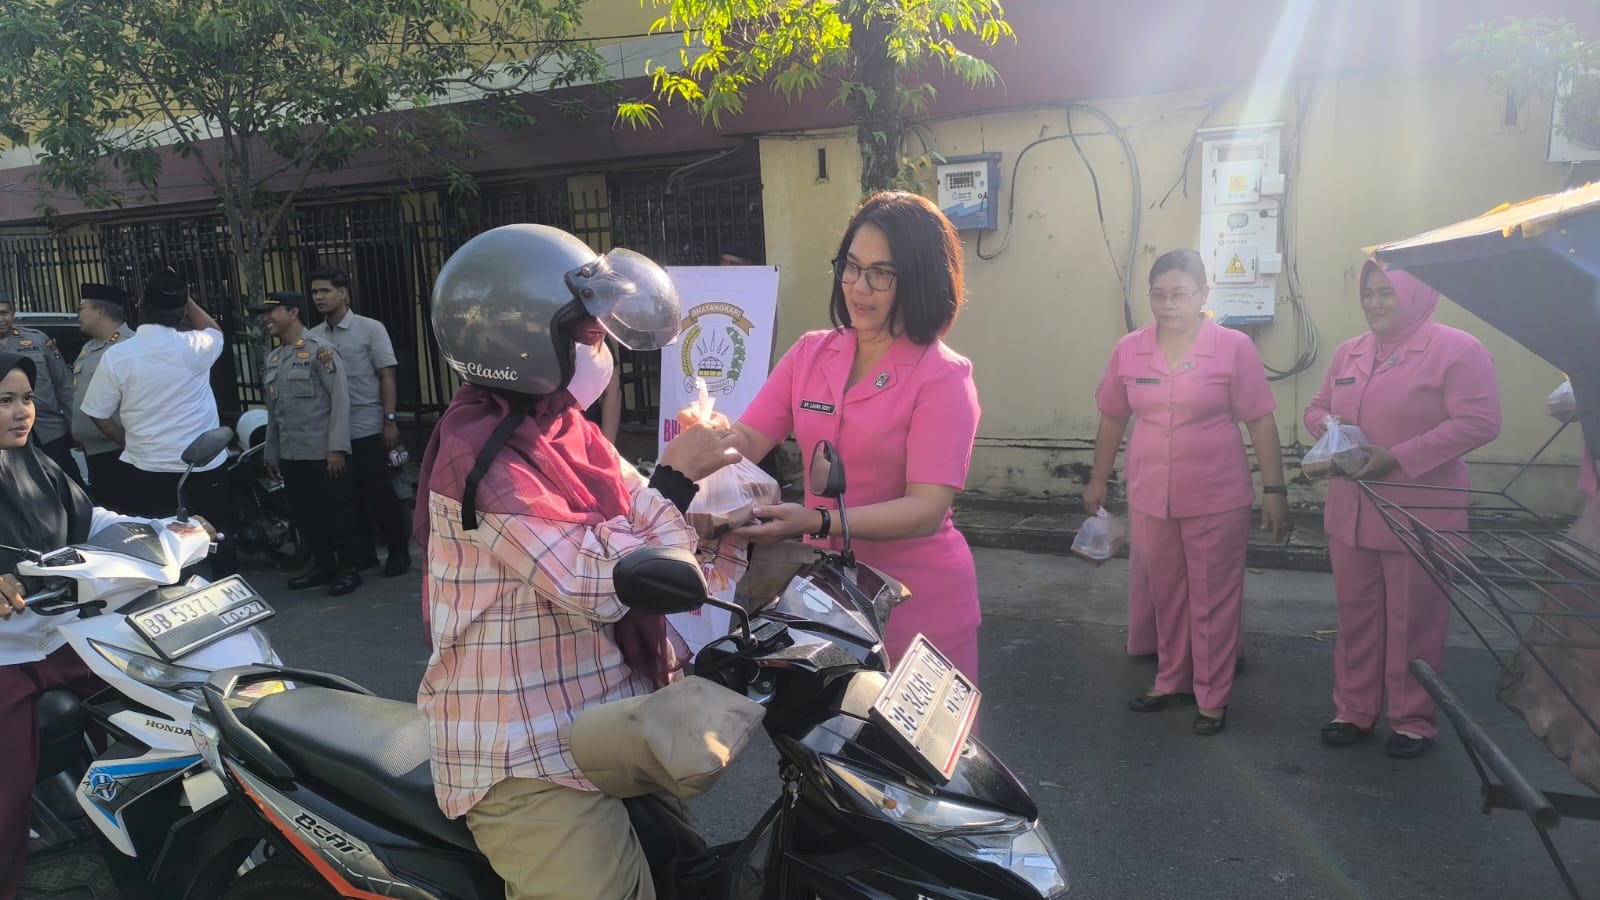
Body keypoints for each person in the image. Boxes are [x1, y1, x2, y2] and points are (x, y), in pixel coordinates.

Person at [415, 223, 743, 900]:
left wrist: (726, 523)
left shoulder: (566, 430)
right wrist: (675, 483)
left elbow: (637, 515)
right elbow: (595, 579)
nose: (603, 350)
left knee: (690, 876)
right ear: (521, 342)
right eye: (590, 334)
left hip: (607, 719)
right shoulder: (481, 459)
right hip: (523, 748)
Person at [727, 191, 984, 681]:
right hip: (824, 599)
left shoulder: (942, 375)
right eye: (851, 267)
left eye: (881, 273)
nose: (859, 287)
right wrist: (693, 456)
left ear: (920, 278)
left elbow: (926, 508)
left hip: (917, 603)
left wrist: (816, 520)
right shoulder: (811, 354)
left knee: (901, 734)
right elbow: (746, 439)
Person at [1085, 249, 1288, 736]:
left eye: (1179, 294)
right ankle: (1172, 678)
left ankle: (1212, 695)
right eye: (1158, 294)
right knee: (1166, 592)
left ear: (1203, 295)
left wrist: (1275, 489)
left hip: (1217, 494)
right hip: (1151, 493)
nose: (1167, 304)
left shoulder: (1233, 347)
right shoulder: (1130, 349)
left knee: (1214, 596)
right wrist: (1098, 478)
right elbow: (1113, 417)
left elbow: (1260, 420)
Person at [1304, 259, 1500, 759]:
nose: (1373, 303)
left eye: (1386, 292)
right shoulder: (1350, 351)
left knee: (1415, 622)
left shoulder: (1457, 349)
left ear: (1416, 295)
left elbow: (1480, 421)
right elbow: (1316, 407)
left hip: (1419, 514)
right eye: (1368, 293)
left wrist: (1399, 455)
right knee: (1356, 617)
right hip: (1352, 513)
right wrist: (1329, 428)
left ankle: (1413, 719)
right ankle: (1353, 709)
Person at [0, 349, 156, 900]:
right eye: (4, 400)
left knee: (163, 718)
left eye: (26, 399)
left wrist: (164, 531)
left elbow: (92, 520)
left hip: (66, 638)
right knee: (7, 788)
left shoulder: (37, 464)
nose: (22, 412)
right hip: (6, 659)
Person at [80, 270, 237, 577]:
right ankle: (228, 586)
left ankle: (176, 595)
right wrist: (185, 297)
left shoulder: (118, 356)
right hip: (204, 462)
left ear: (141, 305)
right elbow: (214, 329)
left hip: (148, 465)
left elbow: (97, 413)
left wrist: (124, 440)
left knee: (162, 540)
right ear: (182, 313)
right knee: (217, 530)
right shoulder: (197, 345)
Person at [252, 291, 362, 597]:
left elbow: (340, 400)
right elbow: (274, 413)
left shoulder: (321, 351)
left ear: (293, 312)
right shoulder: (274, 358)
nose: (266, 318)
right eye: (264, 314)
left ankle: (349, 570)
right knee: (306, 515)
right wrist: (272, 452)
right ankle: (323, 565)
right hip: (292, 455)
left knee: (337, 514)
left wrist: (337, 448)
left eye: (271, 312)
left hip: (323, 454)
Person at [307, 265, 413, 576]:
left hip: (367, 424)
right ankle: (364, 554)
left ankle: (398, 553)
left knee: (381, 492)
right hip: (334, 432)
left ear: (343, 293)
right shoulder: (314, 336)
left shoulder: (370, 329)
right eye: (314, 292)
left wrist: (389, 419)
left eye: (325, 291)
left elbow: (386, 375)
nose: (319, 297)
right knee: (347, 496)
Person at [71, 283, 137, 510]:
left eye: (82, 309)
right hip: (95, 451)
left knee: (125, 512)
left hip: (118, 450)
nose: (78, 315)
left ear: (100, 311)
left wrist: (122, 440)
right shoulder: (90, 347)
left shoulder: (129, 345)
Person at [0, 292, 77, 482]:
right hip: (5, 435)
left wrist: (75, 427)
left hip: (49, 430)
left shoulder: (38, 340)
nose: (0, 319)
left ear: (13, 313)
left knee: (69, 484)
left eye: (4, 313)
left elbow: (63, 386)